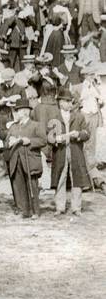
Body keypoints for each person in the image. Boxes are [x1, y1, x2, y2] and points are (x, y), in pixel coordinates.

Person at [47, 88, 91, 216]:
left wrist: (78, 134)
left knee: (76, 178)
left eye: (70, 101)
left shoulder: (79, 116)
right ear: (60, 102)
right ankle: (60, 207)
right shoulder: (54, 117)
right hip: (60, 152)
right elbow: (48, 137)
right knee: (60, 177)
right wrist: (56, 139)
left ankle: (76, 207)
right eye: (66, 101)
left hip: (75, 151)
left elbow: (87, 134)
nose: (69, 104)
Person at [5, 97, 45, 218]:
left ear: (26, 112)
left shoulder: (36, 125)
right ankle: (24, 211)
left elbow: (43, 140)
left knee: (32, 185)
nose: (17, 113)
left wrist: (30, 141)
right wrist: (9, 141)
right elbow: (7, 142)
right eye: (17, 111)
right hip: (16, 159)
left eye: (19, 110)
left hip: (30, 159)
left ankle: (35, 211)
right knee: (19, 185)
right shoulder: (13, 127)